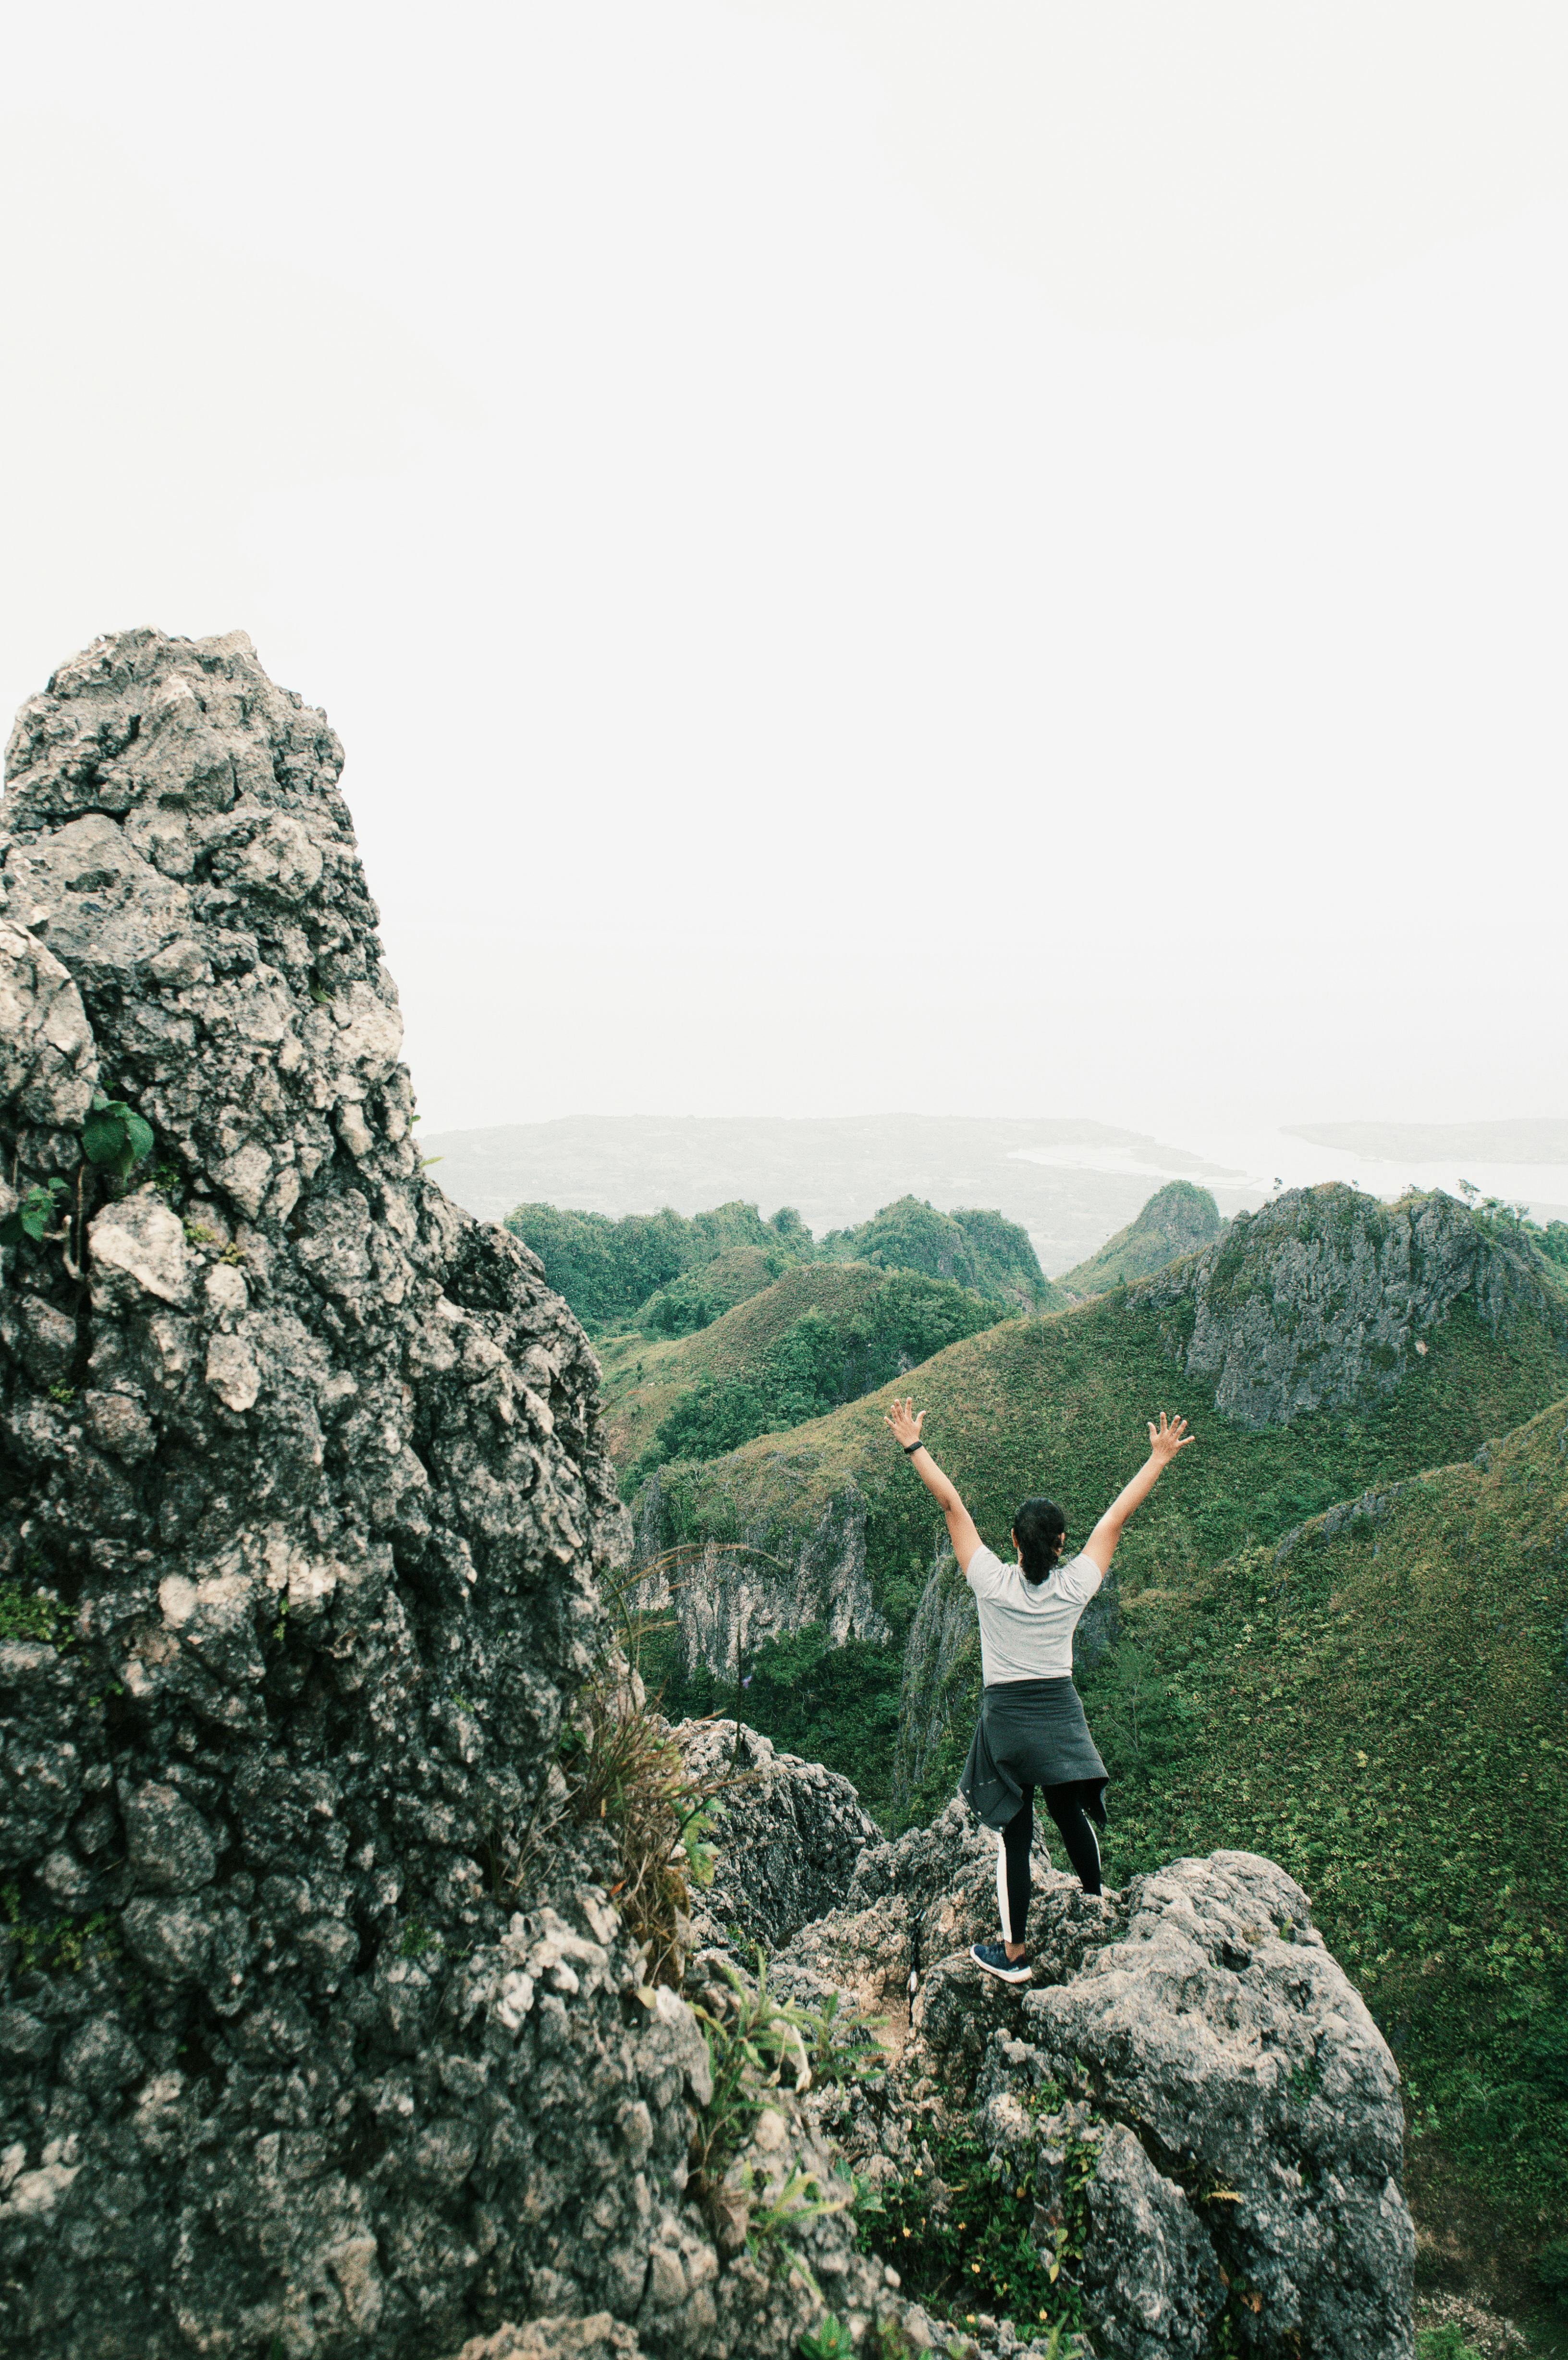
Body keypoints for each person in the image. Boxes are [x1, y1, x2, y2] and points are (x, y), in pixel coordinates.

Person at [883, 1396, 1195, 1985]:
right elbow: (1115, 1519)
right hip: (1060, 1713)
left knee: (1016, 1836)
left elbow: (951, 1503)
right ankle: (1096, 1902)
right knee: (1069, 1812)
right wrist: (1158, 1459)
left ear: (1012, 1541)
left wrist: (913, 1444)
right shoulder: (1074, 1583)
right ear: (1058, 1546)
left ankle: (1015, 1954)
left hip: (1006, 1720)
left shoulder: (990, 1582)